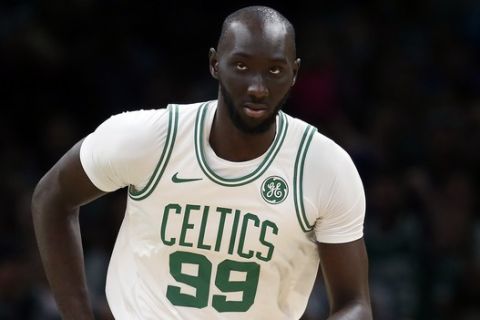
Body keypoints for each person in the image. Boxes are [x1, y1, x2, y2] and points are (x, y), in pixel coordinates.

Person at [32, 5, 372, 320]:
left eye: (274, 70)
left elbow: (355, 303)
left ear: (294, 73)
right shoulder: (151, 138)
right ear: (214, 64)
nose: (257, 87)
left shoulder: (325, 167)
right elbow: (52, 196)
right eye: (241, 66)